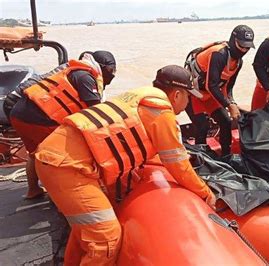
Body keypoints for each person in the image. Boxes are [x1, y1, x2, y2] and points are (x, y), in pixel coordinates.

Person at [34, 65, 217, 265]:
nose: (188, 103)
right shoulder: (161, 111)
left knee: (84, 230)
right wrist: (205, 193)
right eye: (188, 97)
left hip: (56, 156)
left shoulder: (139, 97)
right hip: (68, 167)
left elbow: (138, 145)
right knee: (105, 239)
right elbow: (176, 163)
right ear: (177, 94)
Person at [8, 50, 116, 199]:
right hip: (39, 119)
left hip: (19, 115)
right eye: (111, 70)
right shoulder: (86, 77)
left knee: (34, 154)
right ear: (102, 67)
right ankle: (64, 198)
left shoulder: (75, 71)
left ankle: (33, 190)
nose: (113, 75)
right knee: (60, 156)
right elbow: (95, 113)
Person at [185, 25, 255, 157]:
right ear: (233, 41)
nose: (244, 50)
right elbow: (211, 85)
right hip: (193, 94)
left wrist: (232, 103)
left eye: (247, 47)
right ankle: (201, 159)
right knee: (202, 126)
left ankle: (226, 156)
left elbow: (228, 87)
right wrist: (228, 105)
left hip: (210, 95)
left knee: (226, 122)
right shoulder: (219, 54)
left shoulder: (238, 62)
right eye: (241, 46)